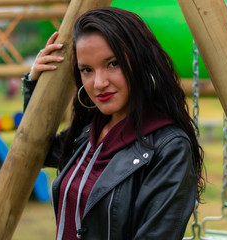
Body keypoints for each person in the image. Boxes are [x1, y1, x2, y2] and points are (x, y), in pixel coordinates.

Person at [22, 7, 204, 240]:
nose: (98, 83)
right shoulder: (88, 131)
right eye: (86, 70)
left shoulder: (169, 147)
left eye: (113, 63)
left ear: (140, 61)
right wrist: (35, 84)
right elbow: (38, 150)